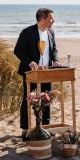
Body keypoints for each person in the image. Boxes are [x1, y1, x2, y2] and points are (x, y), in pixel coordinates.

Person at [14, 8, 60, 140]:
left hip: (46, 71)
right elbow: (18, 51)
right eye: (51, 18)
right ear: (43, 19)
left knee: (47, 99)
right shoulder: (27, 32)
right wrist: (30, 62)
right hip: (31, 73)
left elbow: (54, 49)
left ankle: (45, 128)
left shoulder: (51, 32)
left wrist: (55, 60)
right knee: (27, 100)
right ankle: (25, 129)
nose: (53, 20)